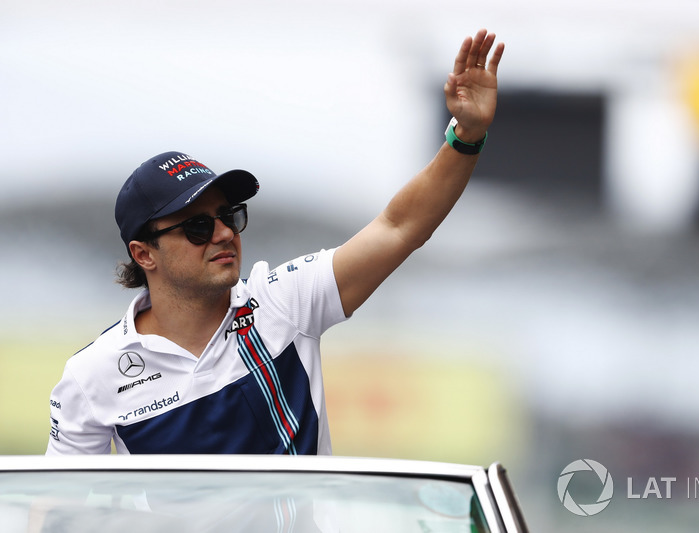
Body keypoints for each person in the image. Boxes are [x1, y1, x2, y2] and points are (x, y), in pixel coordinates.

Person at [46, 29, 505, 455]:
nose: (225, 233)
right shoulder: (93, 375)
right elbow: (59, 510)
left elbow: (399, 228)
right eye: (198, 227)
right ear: (144, 254)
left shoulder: (282, 302)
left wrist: (467, 136)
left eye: (227, 216)